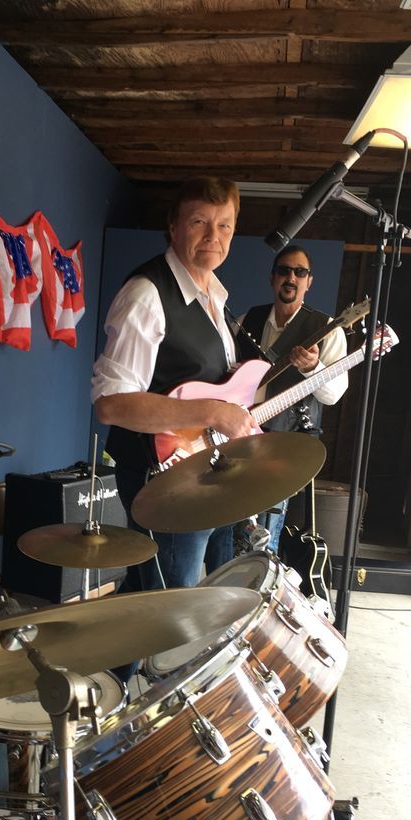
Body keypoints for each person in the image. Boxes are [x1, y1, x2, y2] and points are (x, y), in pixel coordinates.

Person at [92, 177, 256, 592]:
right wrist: (210, 412)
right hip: (162, 480)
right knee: (168, 606)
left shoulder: (215, 298)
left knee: (159, 594)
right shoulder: (146, 295)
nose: (213, 237)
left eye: (224, 226)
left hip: (207, 472)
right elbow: (111, 404)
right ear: (174, 226)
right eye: (200, 222)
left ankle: (124, 660)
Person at [234, 245, 348, 551]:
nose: (291, 277)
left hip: (285, 442)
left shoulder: (328, 330)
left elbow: (334, 394)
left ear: (309, 282)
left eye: (300, 272)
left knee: (265, 532)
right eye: (284, 270)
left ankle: (260, 589)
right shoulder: (245, 321)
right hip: (240, 435)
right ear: (272, 278)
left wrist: (314, 368)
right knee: (228, 519)